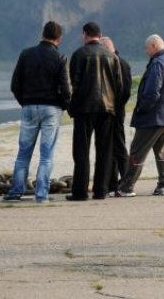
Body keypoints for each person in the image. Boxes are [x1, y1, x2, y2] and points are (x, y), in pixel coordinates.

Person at [4, 21, 72, 203]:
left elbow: (15, 85)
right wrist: (63, 106)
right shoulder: (60, 58)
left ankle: (16, 191)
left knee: (23, 152)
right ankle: (41, 194)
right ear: (59, 38)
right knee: (46, 153)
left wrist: (24, 102)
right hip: (51, 109)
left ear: (42, 34)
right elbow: (66, 89)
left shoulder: (26, 55)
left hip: (29, 106)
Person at [116, 34, 164, 197]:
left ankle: (126, 187)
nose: (146, 51)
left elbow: (151, 91)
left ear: (154, 46)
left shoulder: (157, 64)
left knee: (137, 151)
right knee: (163, 153)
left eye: (147, 48)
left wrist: (142, 109)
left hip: (152, 117)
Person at [67, 22, 124, 201]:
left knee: (81, 151)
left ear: (85, 34)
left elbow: (72, 86)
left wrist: (71, 108)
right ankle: (101, 190)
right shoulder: (112, 57)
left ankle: (80, 191)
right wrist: (115, 108)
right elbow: (119, 87)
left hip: (84, 109)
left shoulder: (79, 54)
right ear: (100, 35)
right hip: (107, 109)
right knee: (105, 151)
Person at [100, 36, 133, 194]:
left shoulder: (120, 64)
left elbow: (125, 91)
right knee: (112, 146)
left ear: (106, 47)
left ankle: (127, 180)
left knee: (118, 146)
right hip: (113, 109)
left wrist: (115, 107)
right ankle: (112, 182)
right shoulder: (118, 62)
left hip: (115, 111)